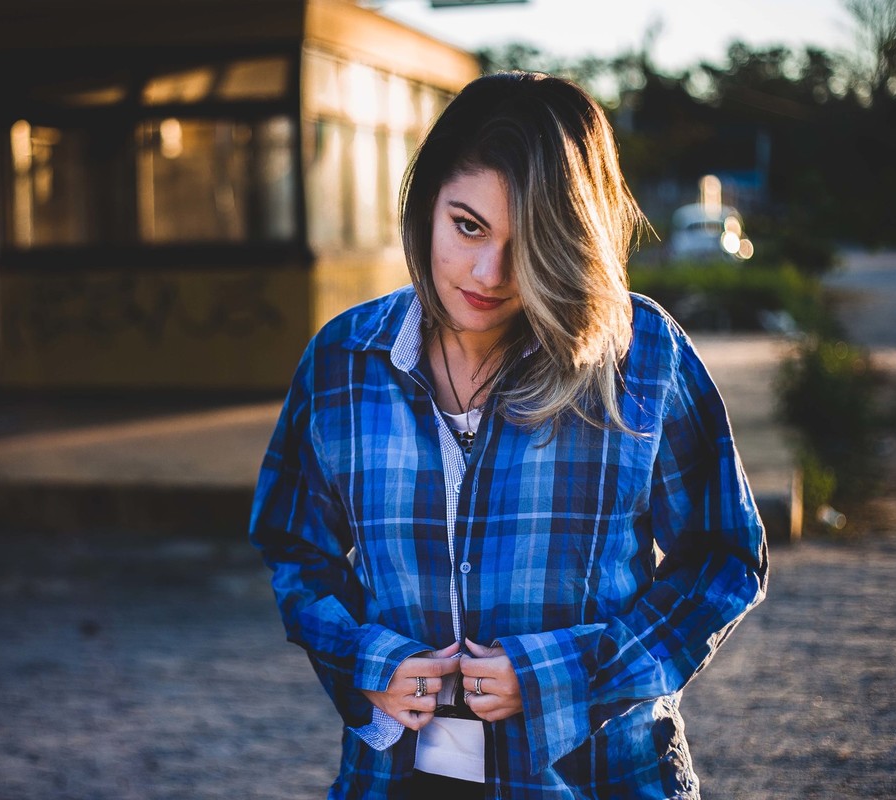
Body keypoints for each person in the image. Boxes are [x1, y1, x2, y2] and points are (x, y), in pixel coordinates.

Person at [249, 71, 768, 799]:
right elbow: (294, 547)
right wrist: (366, 661)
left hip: (593, 779)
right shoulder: (341, 363)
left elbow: (724, 557)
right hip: (395, 779)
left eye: (528, 242)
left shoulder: (642, 355)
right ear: (426, 204)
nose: (490, 273)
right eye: (468, 226)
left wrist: (567, 675)